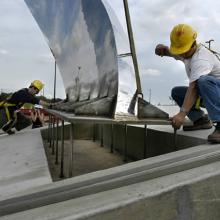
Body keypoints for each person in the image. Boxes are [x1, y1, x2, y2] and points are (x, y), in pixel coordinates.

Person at [155, 23, 220, 143]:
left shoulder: (201, 59)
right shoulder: (187, 53)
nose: (181, 54)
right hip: (209, 94)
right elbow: (175, 53)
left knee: (203, 81)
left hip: (215, 91)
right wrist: (164, 50)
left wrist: (181, 114)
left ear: (193, 44)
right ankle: (200, 120)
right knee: (177, 92)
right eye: (179, 50)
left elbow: (194, 87)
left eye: (183, 51)